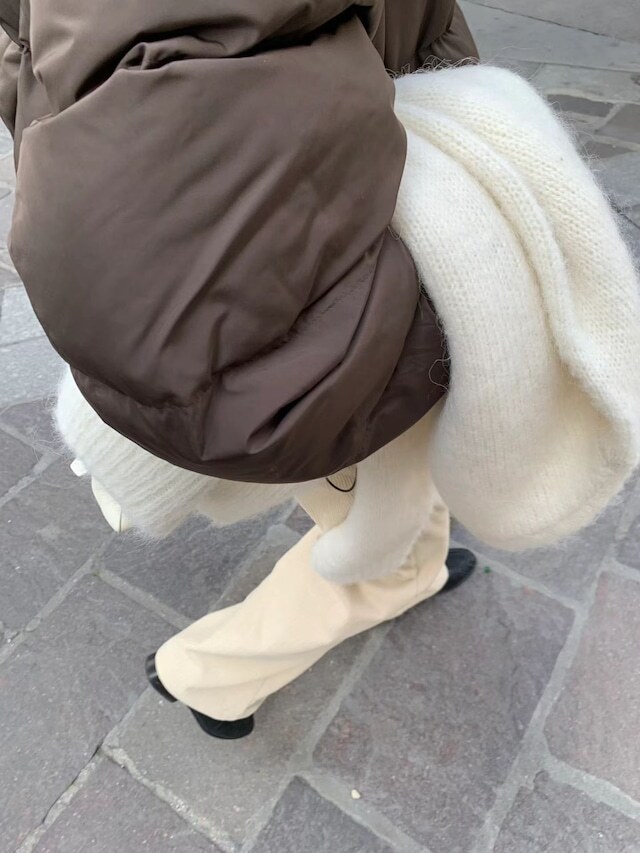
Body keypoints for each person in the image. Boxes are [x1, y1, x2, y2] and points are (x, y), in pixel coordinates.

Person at [3, 0, 639, 742]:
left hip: (205, 287)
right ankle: (210, 674)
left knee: (373, 492)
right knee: (378, 529)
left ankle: (413, 560)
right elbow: (409, 45)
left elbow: (28, 65)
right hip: (310, 314)